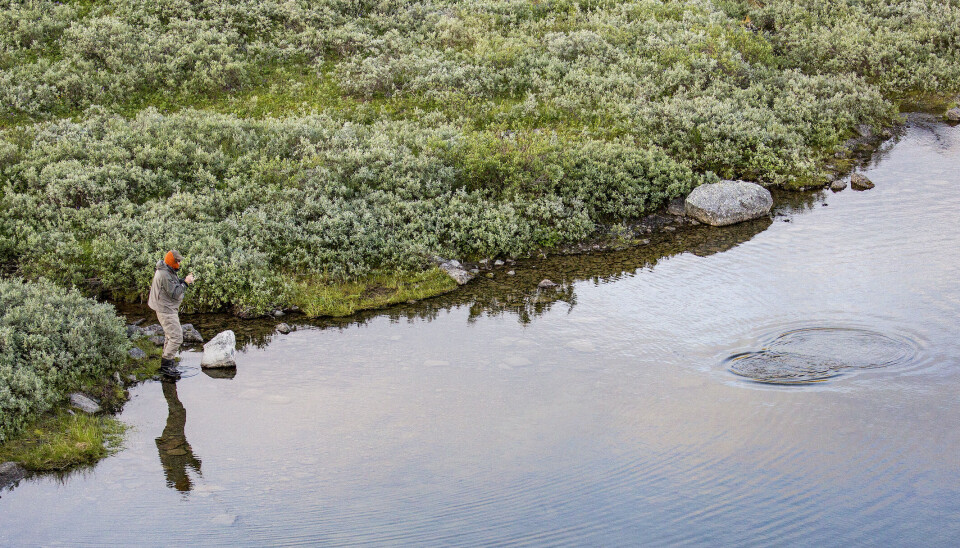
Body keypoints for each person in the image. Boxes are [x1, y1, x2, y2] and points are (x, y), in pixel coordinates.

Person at [148, 250, 195, 379]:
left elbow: (171, 283)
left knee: (170, 335)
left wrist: (181, 280)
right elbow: (175, 293)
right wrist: (185, 283)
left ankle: (167, 363)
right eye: (178, 261)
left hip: (167, 308)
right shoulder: (164, 274)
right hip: (166, 310)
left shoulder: (166, 270)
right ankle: (166, 366)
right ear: (171, 261)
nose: (179, 263)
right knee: (177, 337)